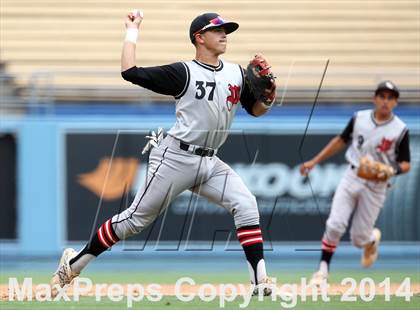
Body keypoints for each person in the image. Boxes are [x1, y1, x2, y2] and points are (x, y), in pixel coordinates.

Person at [50, 12, 277, 296]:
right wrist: (132, 30)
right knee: (134, 221)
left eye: (226, 30)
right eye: (217, 30)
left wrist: (268, 98)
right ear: (199, 37)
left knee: (246, 204)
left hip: (210, 161)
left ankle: (260, 280)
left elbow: (255, 110)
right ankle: (71, 266)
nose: (224, 34)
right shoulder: (183, 72)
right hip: (175, 159)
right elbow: (129, 71)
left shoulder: (237, 74)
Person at [299, 81, 411, 285]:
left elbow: (406, 164)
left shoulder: (400, 129)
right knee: (335, 224)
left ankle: (370, 240)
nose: (385, 101)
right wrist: (314, 161)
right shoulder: (359, 118)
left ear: (395, 102)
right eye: (382, 96)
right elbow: (341, 141)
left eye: (390, 97)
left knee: (358, 239)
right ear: (375, 98)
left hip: (377, 185)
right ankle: (322, 270)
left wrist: (392, 170)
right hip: (352, 175)